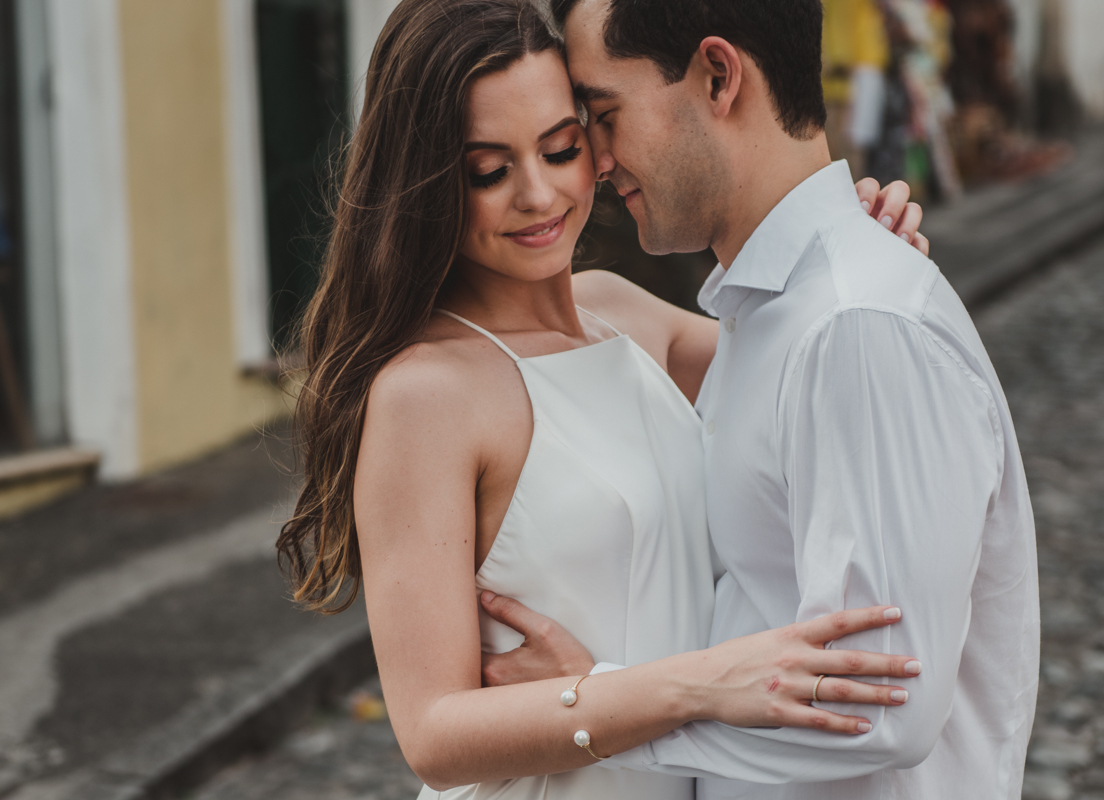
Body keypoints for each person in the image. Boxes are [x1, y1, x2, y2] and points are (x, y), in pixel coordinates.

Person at [275, 0, 932, 798]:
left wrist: (855, 242)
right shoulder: (426, 394)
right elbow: (432, 732)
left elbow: (804, 359)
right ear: (427, 183)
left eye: (560, 148)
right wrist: (687, 686)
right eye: (488, 170)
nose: (538, 194)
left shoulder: (621, 313)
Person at [482, 0, 1040, 798]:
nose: (596, 163)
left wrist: (610, 711)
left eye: (604, 115)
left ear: (717, 75)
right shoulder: (774, 313)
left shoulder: (853, 327)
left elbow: (884, 704)